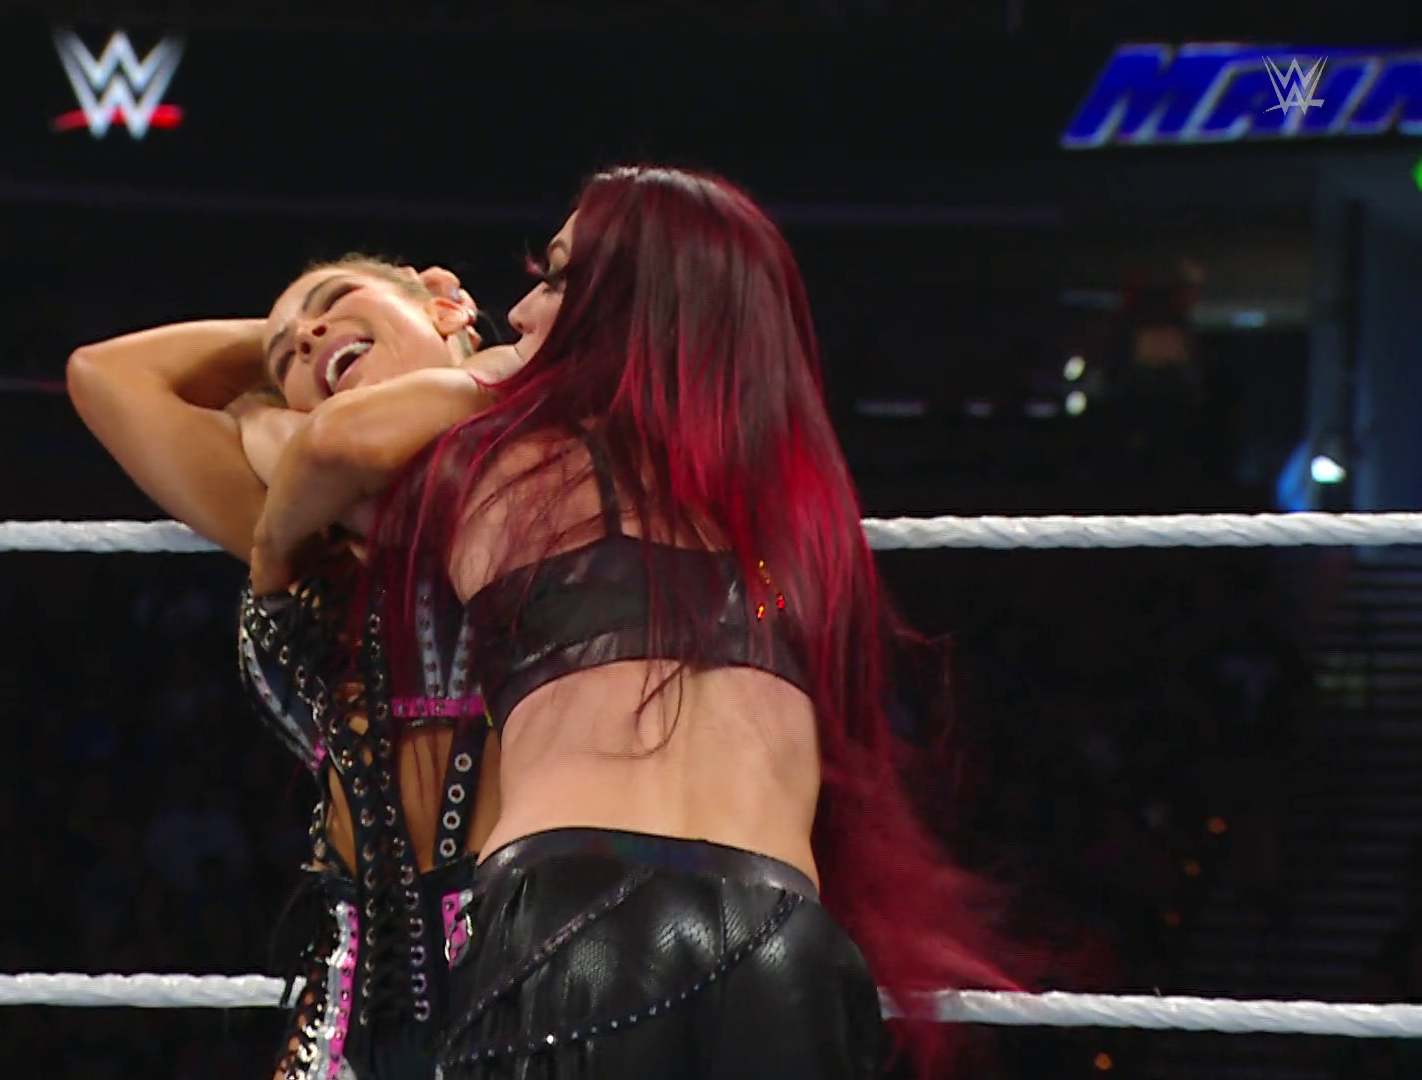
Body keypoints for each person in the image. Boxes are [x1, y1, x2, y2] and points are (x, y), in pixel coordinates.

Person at [251, 167, 1021, 1078]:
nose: (519, 311)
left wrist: (272, 555)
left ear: (622, 303)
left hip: (584, 917)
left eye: (554, 279)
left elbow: (322, 443)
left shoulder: (496, 462)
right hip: (788, 941)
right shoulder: (781, 514)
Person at [67, 257, 509, 1079]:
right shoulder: (299, 526)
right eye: (285, 362)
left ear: (450, 303)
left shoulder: (553, 465)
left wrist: (402, 325)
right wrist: (308, 341)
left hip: (529, 958)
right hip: (351, 992)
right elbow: (106, 375)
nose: (306, 334)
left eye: (332, 300)